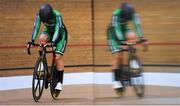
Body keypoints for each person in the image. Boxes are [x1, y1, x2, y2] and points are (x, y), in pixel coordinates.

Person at [107, 2, 146, 94]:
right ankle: (116, 81)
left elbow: (137, 26)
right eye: (126, 17)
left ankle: (132, 60)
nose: (127, 19)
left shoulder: (133, 14)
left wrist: (142, 38)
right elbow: (116, 29)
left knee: (132, 35)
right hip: (113, 34)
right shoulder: (116, 14)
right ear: (122, 13)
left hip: (124, 30)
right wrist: (121, 42)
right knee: (118, 56)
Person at [28, 4, 68, 92]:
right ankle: (42, 63)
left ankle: (59, 83)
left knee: (57, 57)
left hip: (61, 34)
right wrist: (32, 40)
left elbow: (58, 29)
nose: (46, 21)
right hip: (49, 31)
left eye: (47, 20)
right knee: (41, 40)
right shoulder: (39, 15)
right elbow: (36, 27)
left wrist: (53, 42)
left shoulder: (57, 15)